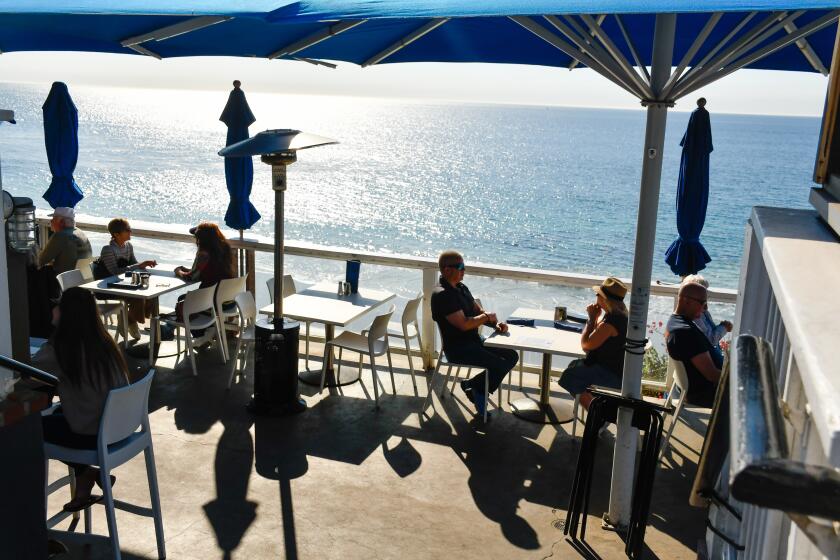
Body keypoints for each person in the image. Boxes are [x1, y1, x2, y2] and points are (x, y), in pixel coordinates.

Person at [33, 287, 130, 512]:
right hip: (118, 429)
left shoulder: (63, 348)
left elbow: (29, 375)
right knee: (57, 415)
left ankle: (28, 506)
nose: (54, 309)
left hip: (93, 434)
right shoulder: (104, 342)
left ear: (66, 314)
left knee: (27, 428)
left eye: (58, 306)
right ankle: (85, 479)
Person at [430, 250, 518, 417]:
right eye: (461, 267)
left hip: (475, 341)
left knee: (512, 356)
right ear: (447, 270)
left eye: (464, 267)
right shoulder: (442, 295)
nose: (464, 270)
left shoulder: (461, 288)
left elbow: (478, 311)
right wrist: (485, 317)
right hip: (458, 350)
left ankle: (472, 385)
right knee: (499, 365)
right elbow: (463, 324)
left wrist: (495, 324)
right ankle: (477, 389)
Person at [557, 277, 628, 410]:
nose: (596, 297)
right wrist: (595, 319)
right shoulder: (616, 316)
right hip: (614, 369)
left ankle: (598, 415)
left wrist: (591, 319)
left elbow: (586, 345)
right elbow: (594, 340)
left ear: (605, 299)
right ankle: (598, 409)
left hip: (611, 375)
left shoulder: (611, 323)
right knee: (573, 367)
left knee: (569, 377)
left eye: (598, 294)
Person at [666, 283, 723, 408]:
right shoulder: (686, 333)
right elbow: (712, 375)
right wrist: (739, 378)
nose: (705, 308)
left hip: (696, 389)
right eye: (703, 303)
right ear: (686, 301)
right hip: (706, 394)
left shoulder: (675, 321)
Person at [99, 218, 157, 339]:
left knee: (151, 294)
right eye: (127, 230)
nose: (131, 232)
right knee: (139, 297)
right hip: (109, 287)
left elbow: (134, 265)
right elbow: (114, 272)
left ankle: (129, 317)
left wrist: (143, 268)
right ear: (116, 234)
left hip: (125, 284)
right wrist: (139, 265)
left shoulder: (128, 246)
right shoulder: (108, 249)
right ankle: (130, 320)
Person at [681, 274, 732, 364]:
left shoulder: (701, 312)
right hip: (708, 360)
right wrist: (724, 327)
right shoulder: (695, 317)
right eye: (703, 293)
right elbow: (711, 340)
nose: (706, 296)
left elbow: (708, 333)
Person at [174, 222, 235, 288]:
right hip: (225, 291)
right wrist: (187, 270)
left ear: (201, 239)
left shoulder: (204, 254)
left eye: (196, 238)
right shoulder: (225, 248)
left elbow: (190, 277)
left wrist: (178, 271)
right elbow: (205, 270)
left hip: (208, 293)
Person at [37, 206, 92, 274]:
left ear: (61, 222)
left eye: (53, 219)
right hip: (83, 277)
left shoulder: (61, 236)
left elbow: (41, 260)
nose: (50, 222)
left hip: (65, 280)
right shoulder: (80, 232)